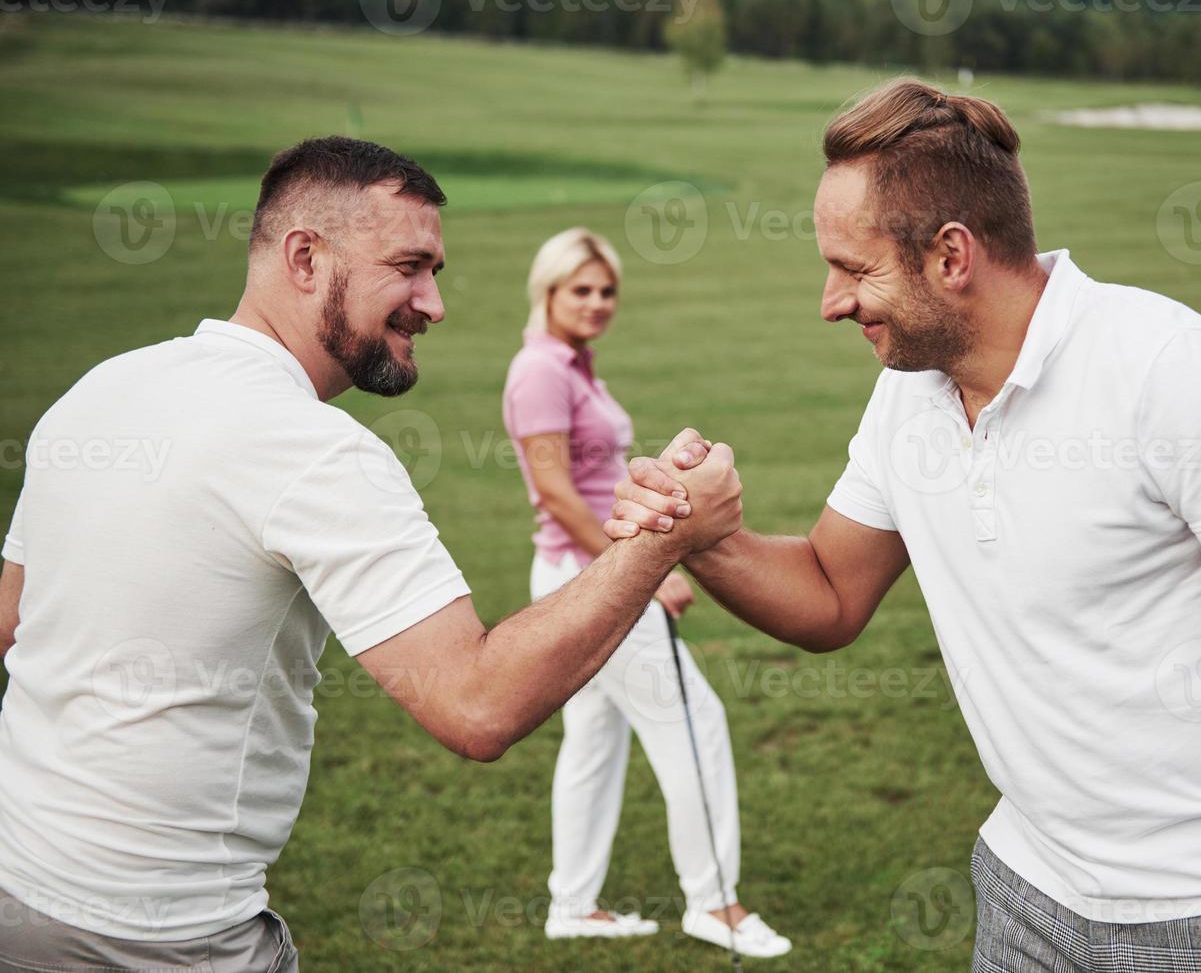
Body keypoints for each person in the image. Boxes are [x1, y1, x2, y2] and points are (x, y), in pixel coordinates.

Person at [606, 80, 1201, 972]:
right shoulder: (907, 394)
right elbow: (829, 597)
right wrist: (701, 534)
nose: (830, 302)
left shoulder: (1170, 372)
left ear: (951, 255)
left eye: (853, 268)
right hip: (1027, 891)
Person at [0, 137, 739, 972]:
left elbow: (12, 625)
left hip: (17, 895)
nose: (433, 304)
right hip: (161, 939)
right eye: (409, 267)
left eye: (437, 272)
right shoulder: (316, 450)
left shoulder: (102, 387)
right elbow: (477, 706)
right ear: (306, 258)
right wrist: (660, 544)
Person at [501, 228, 791, 958]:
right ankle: (714, 904)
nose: (597, 303)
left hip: (581, 572)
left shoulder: (573, 367)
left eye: (606, 291)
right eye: (581, 290)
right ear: (548, 290)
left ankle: (572, 903)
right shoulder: (540, 370)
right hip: (591, 574)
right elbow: (557, 496)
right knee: (694, 721)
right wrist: (646, 571)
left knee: (594, 739)